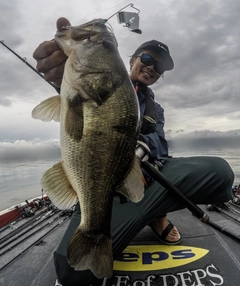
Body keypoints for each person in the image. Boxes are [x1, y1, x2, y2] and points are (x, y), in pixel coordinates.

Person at [33, 18, 234, 286]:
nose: (152, 67)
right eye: (148, 58)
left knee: (221, 173)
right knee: (74, 273)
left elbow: (159, 142)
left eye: (159, 66)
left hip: (151, 181)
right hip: (108, 194)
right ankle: (136, 217)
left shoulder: (156, 109)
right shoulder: (90, 83)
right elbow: (75, 100)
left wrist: (139, 150)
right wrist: (61, 79)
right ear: (131, 59)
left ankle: (155, 213)